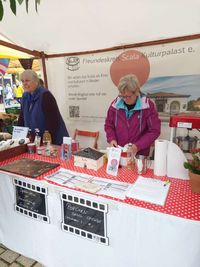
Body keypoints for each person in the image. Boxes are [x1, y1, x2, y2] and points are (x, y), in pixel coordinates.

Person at [104, 74, 161, 156]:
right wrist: (111, 139)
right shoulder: (115, 105)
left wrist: (137, 146)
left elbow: (154, 130)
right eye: (123, 96)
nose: (125, 99)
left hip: (139, 154)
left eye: (128, 96)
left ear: (137, 92)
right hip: (120, 152)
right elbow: (109, 125)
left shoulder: (147, 106)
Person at [18, 70, 69, 145]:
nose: (24, 83)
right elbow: (22, 117)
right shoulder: (25, 96)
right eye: (22, 81)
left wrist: (44, 140)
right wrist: (17, 135)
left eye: (27, 80)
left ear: (36, 81)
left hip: (53, 140)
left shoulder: (45, 95)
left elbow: (53, 121)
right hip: (35, 140)